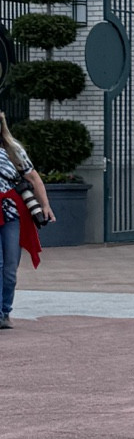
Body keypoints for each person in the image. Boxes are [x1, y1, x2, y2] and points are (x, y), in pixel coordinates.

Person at [0, 114, 52, 327]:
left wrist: (45, 205)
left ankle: (5, 311)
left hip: (11, 214)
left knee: (10, 267)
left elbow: (33, 178)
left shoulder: (13, 150)